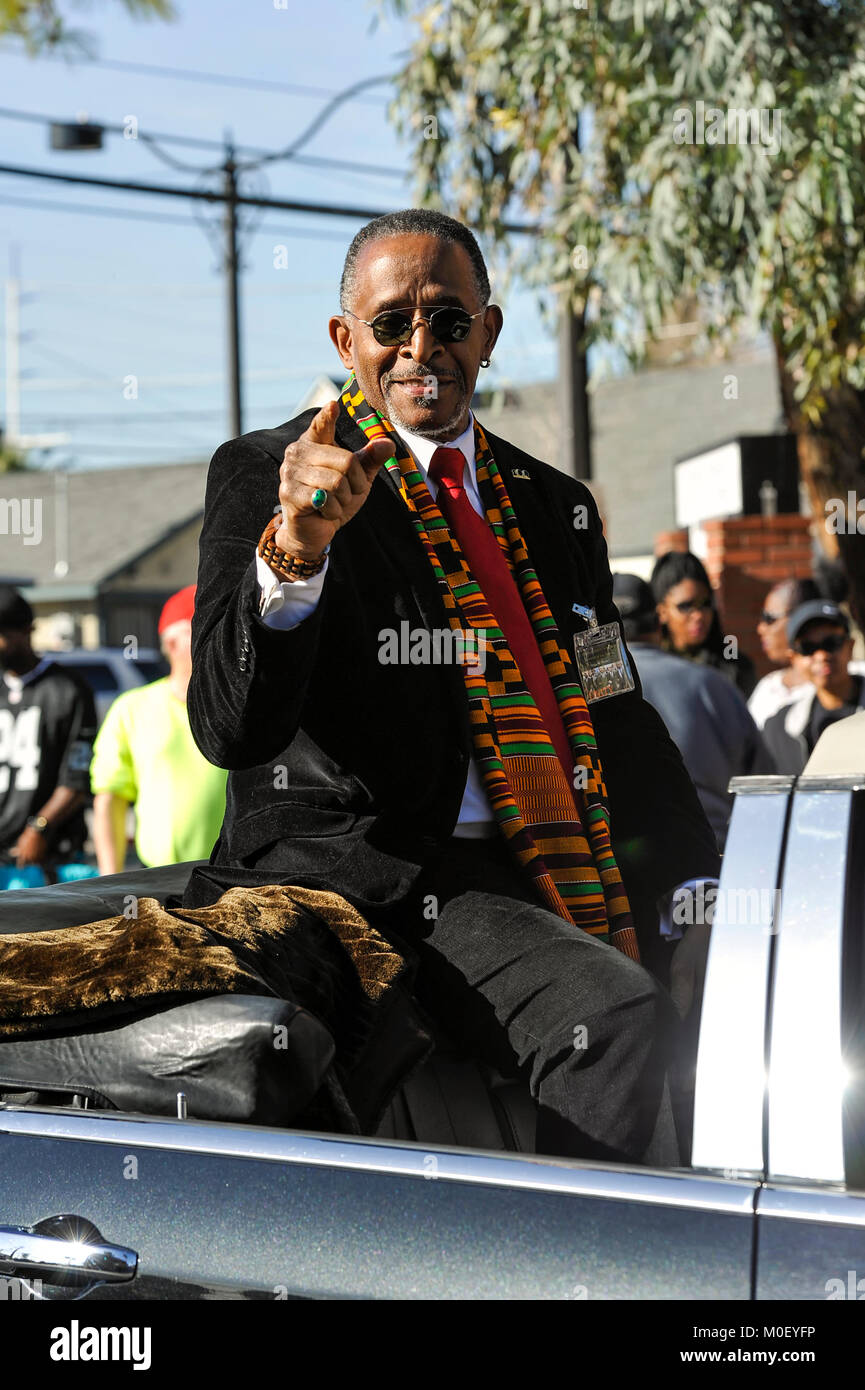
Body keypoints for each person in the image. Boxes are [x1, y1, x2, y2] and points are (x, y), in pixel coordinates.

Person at [185, 208, 721, 1168]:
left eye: (449, 319)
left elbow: (615, 712)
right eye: (391, 324)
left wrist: (692, 883)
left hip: (555, 865)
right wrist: (296, 552)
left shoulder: (551, 506)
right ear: (347, 340)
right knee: (614, 1016)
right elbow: (232, 728)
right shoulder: (276, 475)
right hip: (376, 878)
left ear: (490, 332)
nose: (420, 347)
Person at [612, 574, 774, 852]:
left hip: (618, 874)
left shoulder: (579, 694)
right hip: (712, 863)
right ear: (658, 620)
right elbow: (766, 789)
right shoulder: (713, 685)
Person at [90, 585, 227, 872]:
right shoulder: (132, 708)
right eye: (202, 627)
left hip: (232, 875)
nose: (217, 637)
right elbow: (110, 798)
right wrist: (110, 883)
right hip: (158, 878)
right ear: (173, 643)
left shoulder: (238, 707)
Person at [0, 585, 96, 881]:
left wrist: (39, 827)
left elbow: (77, 776)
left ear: (27, 631)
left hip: (46, 856)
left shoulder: (67, 688)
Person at [762, 600, 865, 774]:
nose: (822, 655)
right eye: (808, 648)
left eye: (831, 643)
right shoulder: (779, 729)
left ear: (850, 646)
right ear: (793, 658)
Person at [651, 550, 757, 699]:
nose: (698, 615)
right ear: (662, 612)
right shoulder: (648, 668)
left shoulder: (735, 669)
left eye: (705, 604)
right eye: (685, 606)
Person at [748, 577, 820, 730]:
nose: (761, 628)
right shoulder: (767, 688)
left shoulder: (847, 679)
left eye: (769, 619)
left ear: (802, 619)